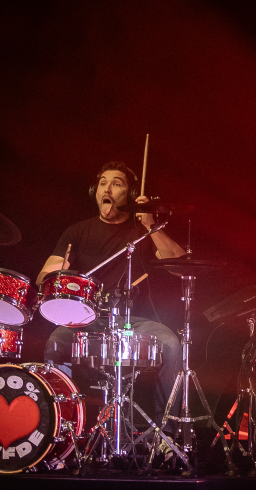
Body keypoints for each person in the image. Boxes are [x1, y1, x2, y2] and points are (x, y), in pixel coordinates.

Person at [36, 161, 186, 428]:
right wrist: (58, 277)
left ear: (130, 194)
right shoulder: (77, 231)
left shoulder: (143, 232)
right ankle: (63, 426)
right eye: (103, 183)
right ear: (95, 192)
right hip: (86, 320)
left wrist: (151, 225)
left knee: (171, 344)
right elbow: (45, 276)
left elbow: (180, 265)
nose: (107, 188)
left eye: (116, 184)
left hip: (137, 321)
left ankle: (166, 433)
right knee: (55, 343)